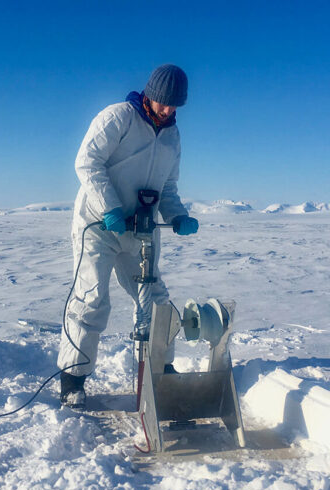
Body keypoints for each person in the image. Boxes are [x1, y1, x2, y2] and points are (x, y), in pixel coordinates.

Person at [58, 64, 200, 408]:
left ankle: (162, 369)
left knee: (155, 300)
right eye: (163, 102)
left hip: (141, 230)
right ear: (150, 94)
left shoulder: (172, 136)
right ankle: (72, 380)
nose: (168, 110)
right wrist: (109, 207)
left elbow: (167, 186)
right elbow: (87, 162)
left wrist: (177, 214)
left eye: (174, 105)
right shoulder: (118, 117)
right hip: (98, 226)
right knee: (92, 298)